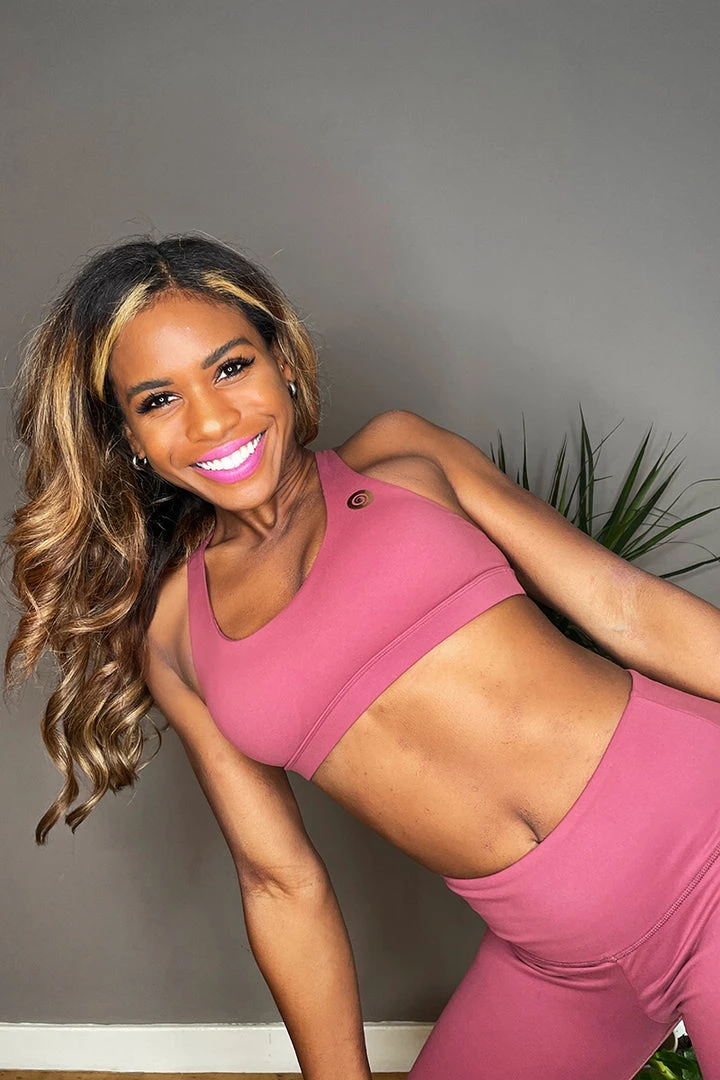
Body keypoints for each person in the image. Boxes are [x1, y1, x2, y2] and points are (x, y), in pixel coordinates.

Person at [5, 234, 720, 1080]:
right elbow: (279, 880)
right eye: (159, 399)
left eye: (230, 367)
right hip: (560, 956)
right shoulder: (172, 633)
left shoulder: (402, 458)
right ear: (126, 435)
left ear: (283, 362)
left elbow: (624, 607)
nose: (212, 419)